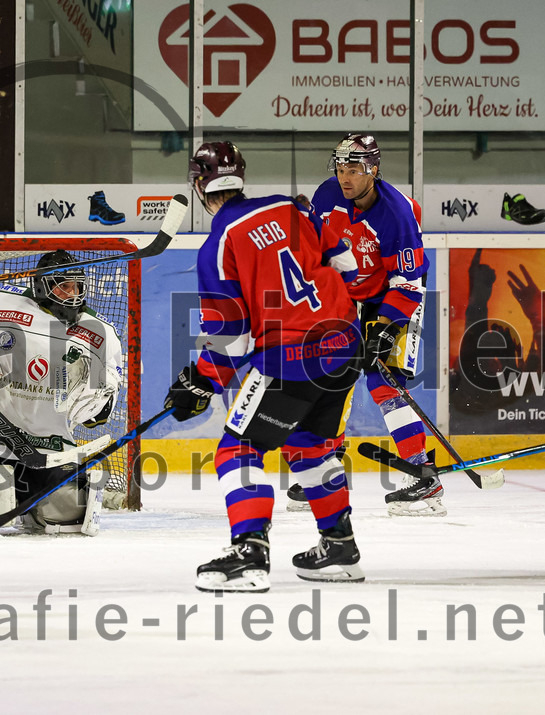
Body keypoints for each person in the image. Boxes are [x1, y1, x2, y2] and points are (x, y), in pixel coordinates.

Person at [167, 141, 363, 593]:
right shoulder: (292, 207)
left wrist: (200, 381)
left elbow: (231, 338)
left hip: (290, 359)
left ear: (198, 186)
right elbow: (348, 267)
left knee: (237, 450)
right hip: (345, 346)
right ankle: (339, 548)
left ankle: (249, 553)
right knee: (309, 444)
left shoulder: (218, 246)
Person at [288, 133, 438, 516]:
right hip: (349, 295)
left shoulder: (396, 214)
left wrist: (384, 329)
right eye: (341, 167)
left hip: (395, 294)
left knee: (383, 380)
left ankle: (424, 478)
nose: (345, 176)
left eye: (354, 169)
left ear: (373, 170)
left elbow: (408, 282)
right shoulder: (327, 195)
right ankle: (327, 466)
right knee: (332, 374)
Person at [0, 250, 122, 534]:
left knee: (68, 521)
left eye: (77, 287)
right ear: (42, 285)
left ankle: (33, 506)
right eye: (63, 286)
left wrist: (97, 395)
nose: (72, 294)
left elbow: (100, 414)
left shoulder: (100, 332)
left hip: (49, 449)